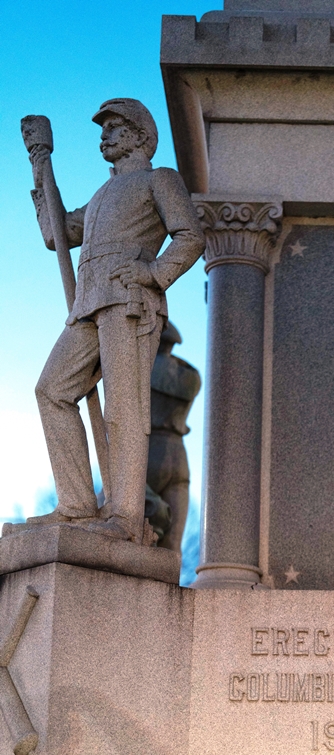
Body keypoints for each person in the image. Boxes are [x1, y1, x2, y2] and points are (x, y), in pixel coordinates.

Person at [27, 98, 205, 543]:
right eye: (103, 129)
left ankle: (125, 515)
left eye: (114, 128)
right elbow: (57, 234)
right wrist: (39, 166)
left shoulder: (158, 179)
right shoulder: (103, 195)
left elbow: (190, 236)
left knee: (122, 405)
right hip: (87, 303)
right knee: (52, 390)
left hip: (130, 300)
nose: (104, 136)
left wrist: (155, 273)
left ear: (141, 136)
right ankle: (77, 505)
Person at [146, 322, 201, 551]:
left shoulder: (142, 367)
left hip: (148, 451)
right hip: (178, 457)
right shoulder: (190, 376)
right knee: (173, 546)